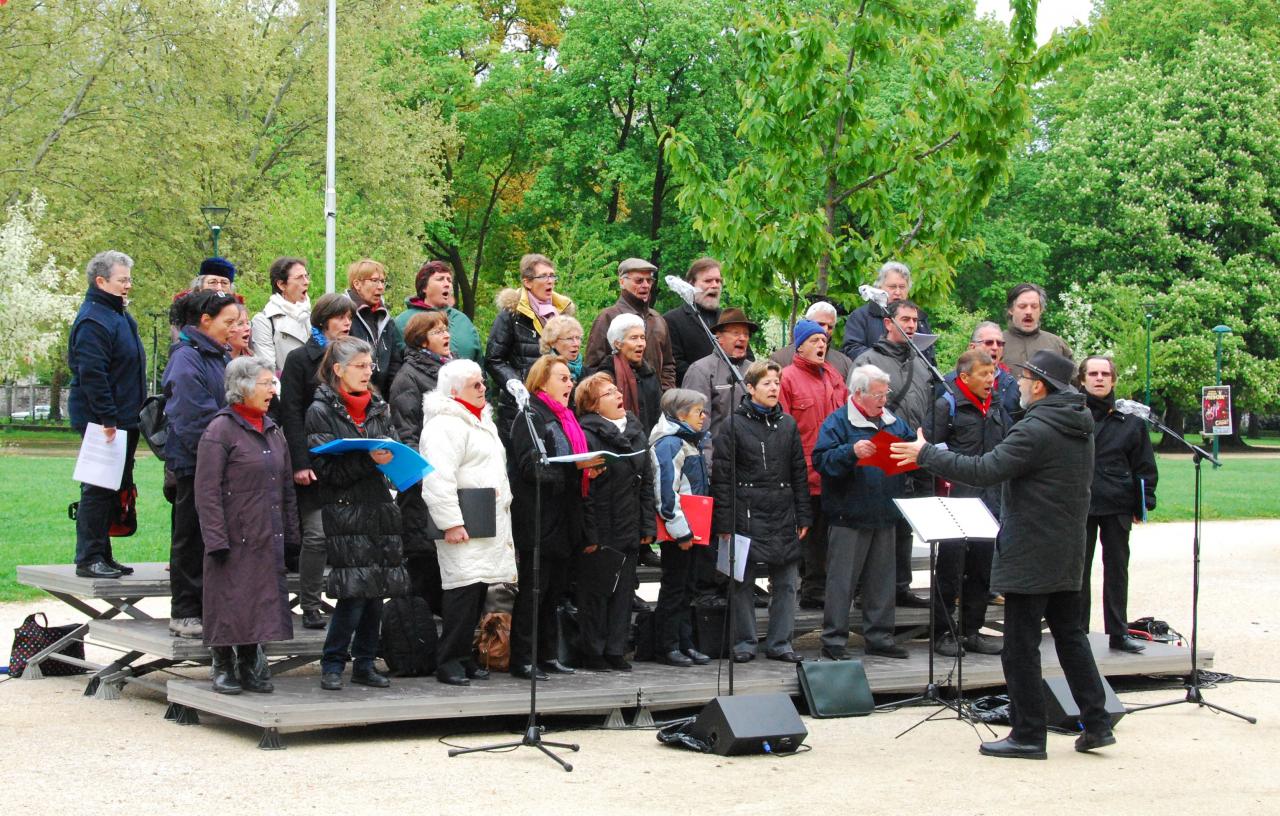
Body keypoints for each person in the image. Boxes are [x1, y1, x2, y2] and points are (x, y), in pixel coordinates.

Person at [891, 350, 1116, 759]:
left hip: (1032, 548)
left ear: (1040, 385)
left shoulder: (1038, 428)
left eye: (1025, 378)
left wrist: (926, 454)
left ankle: (1029, 734)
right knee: (1070, 636)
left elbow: (983, 470)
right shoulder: (1078, 422)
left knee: (1020, 645)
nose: (1018, 385)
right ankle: (1097, 722)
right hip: (1065, 546)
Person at [306, 336, 411, 691]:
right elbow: (328, 472)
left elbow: (392, 445)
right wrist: (367, 460)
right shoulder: (320, 410)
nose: (368, 372)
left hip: (380, 507)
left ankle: (365, 662)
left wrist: (394, 459)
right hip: (346, 510)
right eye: (360, 366)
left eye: (370, 366)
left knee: (376, 592)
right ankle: (333, 663)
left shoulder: (378, 406)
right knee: (353, 593)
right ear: (338, 370)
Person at [195, 357, 297, 694]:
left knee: (259, 598)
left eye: (272, 383)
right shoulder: (219, 430)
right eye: (266, 383)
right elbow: (206, 490)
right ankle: (222, 662)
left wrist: (291, 532)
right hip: (233, 532)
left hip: (266, 530)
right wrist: (215, 537)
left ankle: (251, 659)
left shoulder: (272, 428)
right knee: (228, 599)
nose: (272, 390)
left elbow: (285, 485)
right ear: (244, 388)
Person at [420, 360, 518, 686]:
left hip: (486, 518)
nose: (483, 388)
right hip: (463, 521)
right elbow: (437, 477)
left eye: (483, 383)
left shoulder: (480, 420)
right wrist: (450, 522)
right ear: (454, 390)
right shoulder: (444, 425)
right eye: (475, 385)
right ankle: (448, 661)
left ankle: (466, 657)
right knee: (460, 591)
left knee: (478, 590)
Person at [812, 364, 916, 660]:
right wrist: (850, 452)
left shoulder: (892, 421)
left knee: (882, 582)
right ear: (858, 394)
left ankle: (881, 638)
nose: (884, 400)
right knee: (841, 583)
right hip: (849, 516)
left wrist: (917, 449)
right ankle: (833, 641)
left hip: (885, 514)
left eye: (886, 394)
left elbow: (909, 448)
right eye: (878, 394)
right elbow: (822, 462)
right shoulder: (838, 423)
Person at [711, 361, 811, 664]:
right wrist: (725, 520)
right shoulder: (732, 424)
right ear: (750, 388)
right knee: (741, 581)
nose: (774, 388)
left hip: (782, 509)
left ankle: (781, 642)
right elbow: (722, 476)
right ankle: (744, 642)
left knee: (786, 581)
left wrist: (803, 515)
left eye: (777, 383)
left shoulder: (788, 424)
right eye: (767, 383)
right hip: (746, 509)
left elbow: (798, 472)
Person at [507, 355, 592, 680]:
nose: (570, 383)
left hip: (565, 515)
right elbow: (530, 468)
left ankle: (547, 654)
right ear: (542, 381)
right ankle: (523, 657)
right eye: (562, 378)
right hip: (538, 516)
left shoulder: (567, 417)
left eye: (570, 379)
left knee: (554, 590)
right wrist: (572, 469)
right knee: (534, 590)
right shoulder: (529, 417)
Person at [162, 290, 239, 639]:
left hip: (222, 460)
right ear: (205, 321)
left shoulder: (217, 356)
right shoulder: (186, 357)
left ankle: (211, 604)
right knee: (191, 535)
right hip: (196, 462)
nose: (233, 328)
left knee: (213, 535)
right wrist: (220, 449)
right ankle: (185, 610)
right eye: (228, 322)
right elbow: (191, 414)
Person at [278, 293, 356, 630]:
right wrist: (299, 462)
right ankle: (309, 603)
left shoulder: (355, 356)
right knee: (317, 536)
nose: (346, 323)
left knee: (352, 536)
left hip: (349, 461)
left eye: (349, 317)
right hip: (313, 460)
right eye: (340, 317)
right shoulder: (299, 359)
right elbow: (290, 413)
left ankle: (348, 605)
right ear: (323, 320)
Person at [68, 250, 146, 579]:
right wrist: (108, 419)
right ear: (101, 281)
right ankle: (89, 556)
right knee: (98, 488)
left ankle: (103, 552)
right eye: (122, 280)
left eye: (129, 279)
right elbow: (92, 373)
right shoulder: (94, 319)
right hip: (104, 421)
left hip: (125, 417)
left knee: (115, 487)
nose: (128, 285)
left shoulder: (117, 314)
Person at [926, 349, 1007, 657]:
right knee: (949, 569)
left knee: (981, 570)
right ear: (964, 378)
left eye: (993, 373)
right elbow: (930, 451)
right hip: (955, 500)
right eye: (984, 374)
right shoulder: (946, 406)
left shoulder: (997, 406)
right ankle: (943, 632)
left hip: (989, 500)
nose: (991, 379)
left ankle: (971, 630)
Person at [575, 372, 656, 671]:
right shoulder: (587, 434)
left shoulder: (635, 430)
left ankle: (615, 649)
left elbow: (646, 482)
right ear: (593, 405)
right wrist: (590, 533)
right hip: (601, 526)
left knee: (624, 593)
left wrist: (647, 527)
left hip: (629, 525)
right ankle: (592, 651)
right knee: (596, 593)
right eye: (608, 392)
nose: (618, 394)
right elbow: (586, 491)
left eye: (616, 390)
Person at [854, 299, 932, 608]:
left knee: (904, 522)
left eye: (915, 320)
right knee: (877, 520)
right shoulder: (867, 360)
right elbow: (856, 405)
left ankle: (901, 586)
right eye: (905, 319)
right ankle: (867, 591)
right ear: (888, 323)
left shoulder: (924, 362)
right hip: (881, 445)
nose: (911, 325)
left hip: (914, 447)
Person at [1078, 355, 1158, 653]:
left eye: (1105, 374)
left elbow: (1145, 466)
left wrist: (1143, 503)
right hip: (1080, 503)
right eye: (1093, 374)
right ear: (1082, 380)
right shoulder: (1073, 414)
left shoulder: (1132, 422)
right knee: (1078, 570)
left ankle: (1118, 631)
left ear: (1113, 380)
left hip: (1117, 503)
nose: (1099, 379)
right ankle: (1078, 631)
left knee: (1117, 569)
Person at [779, 320, 849, 610]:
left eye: (824, 340)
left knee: (826, 534)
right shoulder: (787, 378)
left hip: (833, 472)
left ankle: (822, 588)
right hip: (803, 472)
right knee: (806, 534)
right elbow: (782, 426)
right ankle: (806, 589)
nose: (822, 344)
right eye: (815, 340)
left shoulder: (834, 376)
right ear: (800, 345)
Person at [388, 310, 453, 611]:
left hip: (453, 480)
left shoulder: (453, 372)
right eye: (437, 331)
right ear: (421, 340)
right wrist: (427, 476)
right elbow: (407, 433)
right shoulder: (408, 377)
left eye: (445, 329)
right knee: (424, 567)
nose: (446, 335)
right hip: (424, 486)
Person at [650, 389, 713, 667]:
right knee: (674, 589)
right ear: (680, 414)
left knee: (688, 588)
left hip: (694, 529)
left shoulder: (691, 441)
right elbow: (666, 492)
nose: (704, 416)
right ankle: (667, 645)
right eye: (698, 411)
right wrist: (681, 531)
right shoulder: (670, 444)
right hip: (679, 532)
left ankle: (685, 642)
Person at [486, 254, 576, 444]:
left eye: (552, 276)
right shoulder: (511, 315)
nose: (550, 281)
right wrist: (516, 384)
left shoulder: (561, 314)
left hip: (557, 404)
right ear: (527, 282)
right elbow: (494, 359)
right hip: (520, 407)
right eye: (543, 276)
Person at [585, 257, 677, 391]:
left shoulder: (657, 319)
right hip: (619, 403)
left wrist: (665, 395)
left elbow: (668, 365)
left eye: (649, 280)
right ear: (622, 282)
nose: (645, 285)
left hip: (655, 403)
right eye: (639, 280)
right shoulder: (607, 318)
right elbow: (592, 368)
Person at [683, 307, 758, 468]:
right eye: (736, 333)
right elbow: (697, 426)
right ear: (718, 337)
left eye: (746, 334)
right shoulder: (700, 370)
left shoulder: (755, 371)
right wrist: (708, 468)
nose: (743, 338)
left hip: (751, 465)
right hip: (718, 465)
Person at [841, 260, 935, 363]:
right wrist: (887, 361)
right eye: (892, 287)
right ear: (879, 287)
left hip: (914, 376)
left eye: (902, 287)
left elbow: (929, 357)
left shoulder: (918, 318)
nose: (898, 292)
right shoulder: (861, 316)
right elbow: (851, 349)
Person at [394, 260, 483, 364]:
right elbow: (395, 364)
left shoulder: (462, 320)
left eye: (449, 280)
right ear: (424, 287)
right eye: (440, 279)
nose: (447, 284)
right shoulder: (403, 321)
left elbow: (479, 360)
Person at [587, 313, 661, 432]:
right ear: (618, 344)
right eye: (633, 338)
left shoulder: (649, 374)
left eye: (642, 337)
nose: (641, 343)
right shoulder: (606, 377)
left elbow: (658, 415)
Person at [345, 258, 404, 395]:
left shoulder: (386, 320)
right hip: (351, 397)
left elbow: (394, 363)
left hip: (380, 399)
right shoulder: (344, 315)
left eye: (382, 281)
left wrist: (392, 398)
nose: (381, 287)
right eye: (374, 280)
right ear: (357, 284)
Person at [663, 257, 725, 385]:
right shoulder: (672, 320)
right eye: (708, 281)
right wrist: (711, 380)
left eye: (718, 281)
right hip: (693, 395)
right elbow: (675, 364)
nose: (715, 285)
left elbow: (747, 357)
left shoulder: (728, 319)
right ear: (691, 284)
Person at [940, 322, 1020, 421]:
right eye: (989, 342)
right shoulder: (948, 383)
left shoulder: (1011, 384)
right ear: (972, 347)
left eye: (1000, 343)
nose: (995, 347)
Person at [251, 256, 311, 374]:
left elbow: (322, 352)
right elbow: (267, 370)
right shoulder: (265, 320)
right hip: (286, 390)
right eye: (299, 277)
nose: (306, 282)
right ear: (281, 285)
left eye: (306, 276)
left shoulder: (310, 315)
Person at [771, 301, 854, 382]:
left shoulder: (845, 364)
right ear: (806, 322)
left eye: (830, 327)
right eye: (820, 324)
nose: (825, 330)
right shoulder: (780, 359)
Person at [1002, 283, 1072, 369]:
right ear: (1011, 309)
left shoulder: (1057, 345)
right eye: (1022, 306)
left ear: (1041, 310)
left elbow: (1075, 380)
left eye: (1034, 306)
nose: (1029, 312)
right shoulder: (996, 344)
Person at [539, 315, 586, 381]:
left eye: (578, 338)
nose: (576, 344)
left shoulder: (585, 372)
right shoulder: (541, 372)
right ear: (552, 342)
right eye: (569, 339)